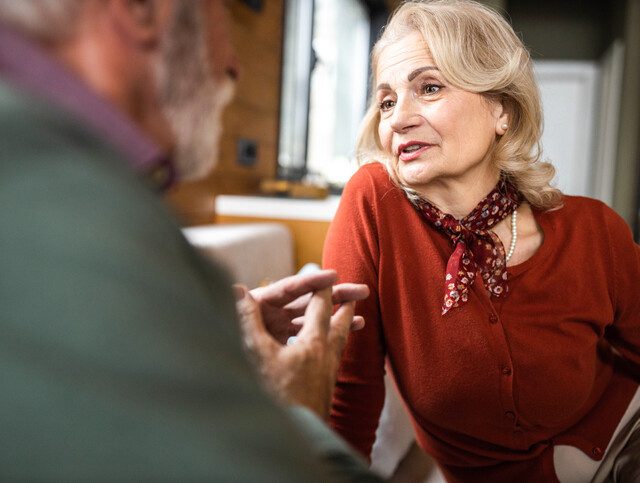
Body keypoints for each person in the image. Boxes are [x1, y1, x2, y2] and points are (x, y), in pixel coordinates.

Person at [0, 0, 379, 480]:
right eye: (221, 20)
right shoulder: (54, 194)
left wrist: (211, 334)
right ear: (141, 11)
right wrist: (294, 411)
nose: (235, 67)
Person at [323, 1, 640, 482]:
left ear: (502, 111)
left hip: (622, 435)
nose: (398, 118)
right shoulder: (374, 203)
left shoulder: (595, 231)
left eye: (429, 88)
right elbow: (348, 397)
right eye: (387, 101)